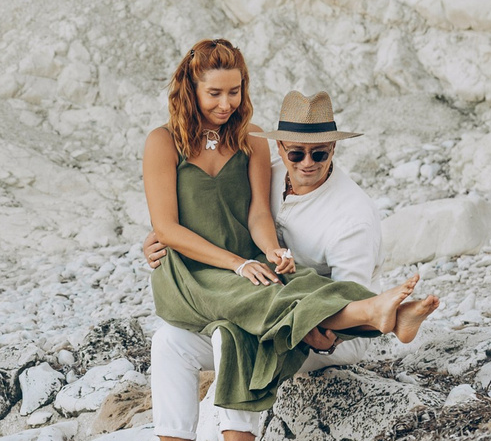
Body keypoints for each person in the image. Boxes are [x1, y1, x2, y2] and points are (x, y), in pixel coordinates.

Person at [140, 42, 437, 441]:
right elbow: (167, 226)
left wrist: (268, 249)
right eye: (214, 93)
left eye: (235, 92)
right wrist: (236, 261)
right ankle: (367, 313)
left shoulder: (257, 142)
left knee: (213, 337)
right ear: (189, 89)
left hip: (256, 289)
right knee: (250, 301)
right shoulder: (164, 141)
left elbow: (259, 213)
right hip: (192, 277)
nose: (226, 104)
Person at [145, 89, 384, 356]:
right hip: (274, 302)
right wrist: (161, 238)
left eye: (319, 155)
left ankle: (387, 314)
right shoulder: (268, 175)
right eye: (296, 154)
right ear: (280, 148)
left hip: (334, 335)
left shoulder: (353, 219)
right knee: (168, 341)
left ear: (333, 149)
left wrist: (325, 337)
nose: (307, 163)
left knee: (237, 339)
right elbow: (218, 216)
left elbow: (350, 299)